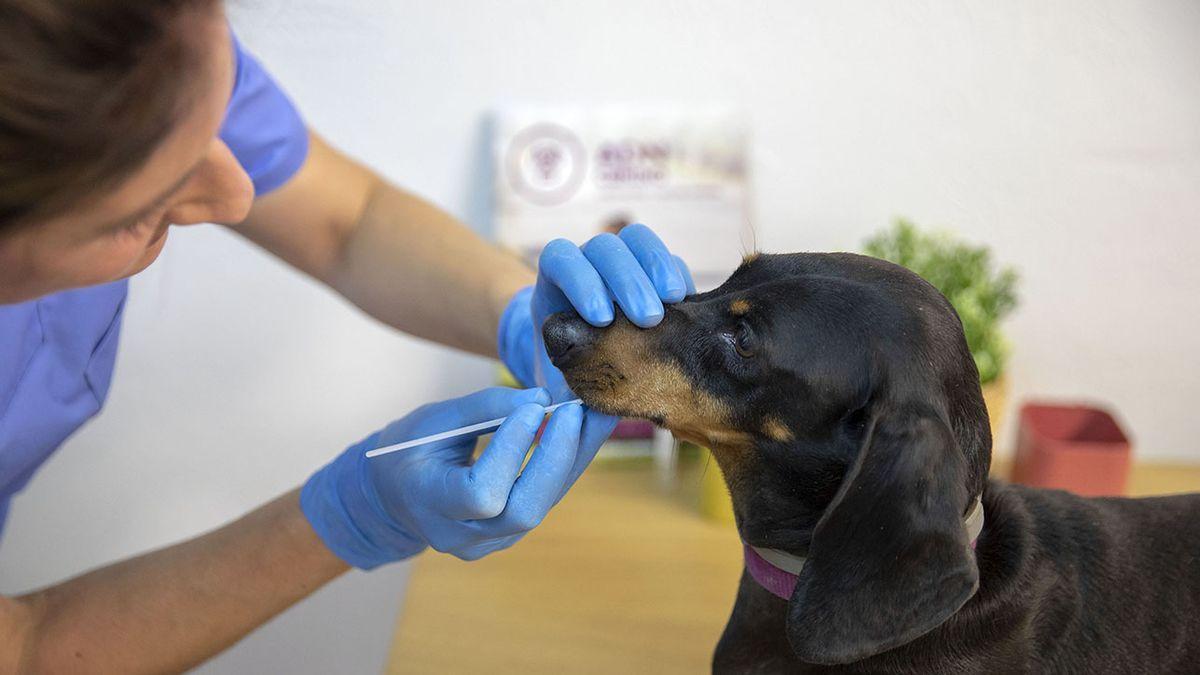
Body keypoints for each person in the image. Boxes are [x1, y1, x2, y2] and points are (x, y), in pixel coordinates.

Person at [0, 1, 693, 671]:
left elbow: (346, 221)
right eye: (141, 209)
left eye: (216, 119)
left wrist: (516, 311)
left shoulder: (134, 39)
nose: (237, 197)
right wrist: (352, 514)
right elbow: (27, 649)